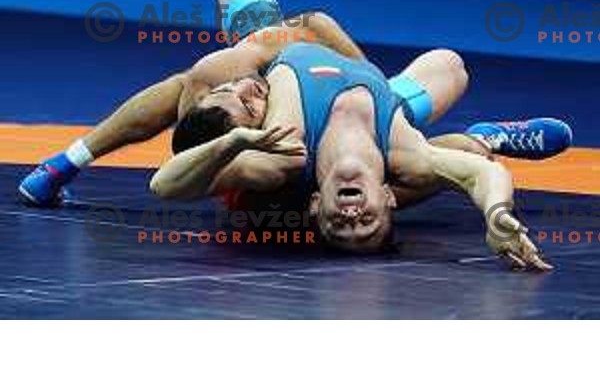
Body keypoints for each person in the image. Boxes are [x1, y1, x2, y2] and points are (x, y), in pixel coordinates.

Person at [150, 39, 571, 271]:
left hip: (278, 61)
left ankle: (83, 151)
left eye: (339, 223)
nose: (352, 216)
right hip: (385, 97)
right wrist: (497, 214)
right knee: (450, 64)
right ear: (389, 197)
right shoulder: (409, 157)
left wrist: (233, 139)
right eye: (366, 221)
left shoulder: (280, 156)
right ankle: (487, 138)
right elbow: (481, 176)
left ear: (317, 203)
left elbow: (164, 183)